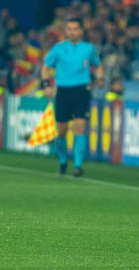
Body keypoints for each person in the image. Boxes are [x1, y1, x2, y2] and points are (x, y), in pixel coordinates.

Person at [41, 18, 104, 177]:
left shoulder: (88, 49)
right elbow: (45, 66)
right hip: (63, 91)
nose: (72, 31)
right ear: (66, 31)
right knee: (61, 131)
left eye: (75, 29)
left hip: (82, 90)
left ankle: (77, 165)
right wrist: (46, 85)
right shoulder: (58, 48)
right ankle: (63, 161)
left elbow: (98, 64)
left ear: (81, 31)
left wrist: (100, 77)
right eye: (69, 29)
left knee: (80, 127)